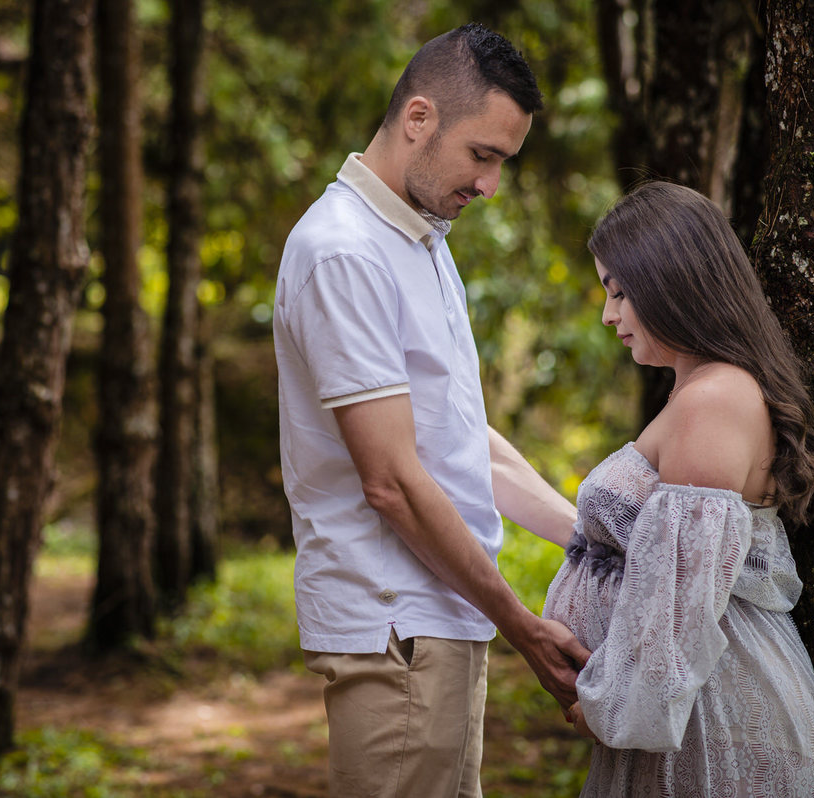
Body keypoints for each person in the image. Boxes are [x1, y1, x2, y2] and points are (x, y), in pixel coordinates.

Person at [273, 23, 589, 797]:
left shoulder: (422, 239)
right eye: (483, 156)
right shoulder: (344, 250)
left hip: (440, 625)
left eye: (503, 164)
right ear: (419, 119)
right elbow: (390, 480)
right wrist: (522, 624)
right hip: (395, 631)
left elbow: (461, 441)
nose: (490, 185)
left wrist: (592, 537)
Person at [543, 180, 814, 796]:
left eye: (620, 292)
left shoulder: (716, 398)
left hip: (710, 715)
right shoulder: (703, 391)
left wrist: (611, 705)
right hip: (692, 714)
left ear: (671, 282)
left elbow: (678, 595)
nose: (608, 314)